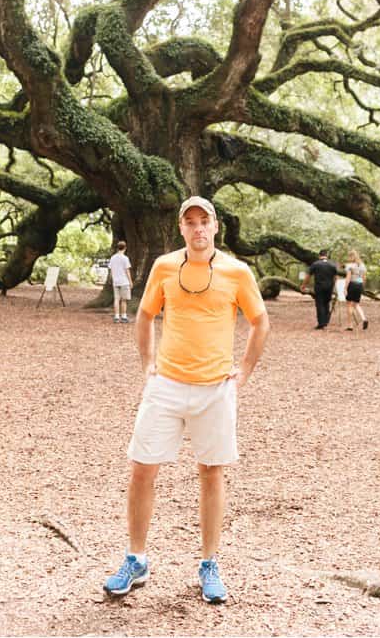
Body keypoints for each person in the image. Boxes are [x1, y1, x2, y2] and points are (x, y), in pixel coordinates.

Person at [103, 196, 269, 605]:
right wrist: (147, 364)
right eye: (190, 222)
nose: (197, 229)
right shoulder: (164, 266)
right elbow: (143, 315)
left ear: (215, 226)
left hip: (215, 388)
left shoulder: (237, 271)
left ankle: (209, 563)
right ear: (181, 228)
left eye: (204, 221)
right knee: (142, 469)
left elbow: (260, 320)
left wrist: (243, 372)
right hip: (167, 385)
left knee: (211, 473)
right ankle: (136, 558)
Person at [300, 250, 339, 330]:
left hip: (319, 287)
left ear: (319, 256)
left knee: (320, 304)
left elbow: (308, 276)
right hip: (329, 287)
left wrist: (303, 285)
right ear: (327, 255)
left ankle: (321, 323)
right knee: (326, 303)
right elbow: (335, 277)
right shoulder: (332, 265)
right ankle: (325, 322)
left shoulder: (315, 264)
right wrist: (333, 285)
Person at [343, 250, 368, 331]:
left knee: (349, 304)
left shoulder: (349, 265)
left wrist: (345, 288)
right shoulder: (362, 265)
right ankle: (364, 319)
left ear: (351, 256)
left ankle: (350, 325)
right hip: (359, 285)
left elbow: (348, 278)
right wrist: (362, 287)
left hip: (352, 285)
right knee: (356, 304)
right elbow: (364, 278)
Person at [109, 241, 133, 324]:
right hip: (124, 282)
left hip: (116, 281)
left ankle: (116, 317)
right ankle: (123, 316)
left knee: (116, 299)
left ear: (117, 248)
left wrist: (113, 279)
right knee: (123, 300)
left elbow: (111, 270)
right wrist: (130, 282)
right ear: (125, 248)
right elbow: (127, 271)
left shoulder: (113, 258)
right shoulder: (125, 258)